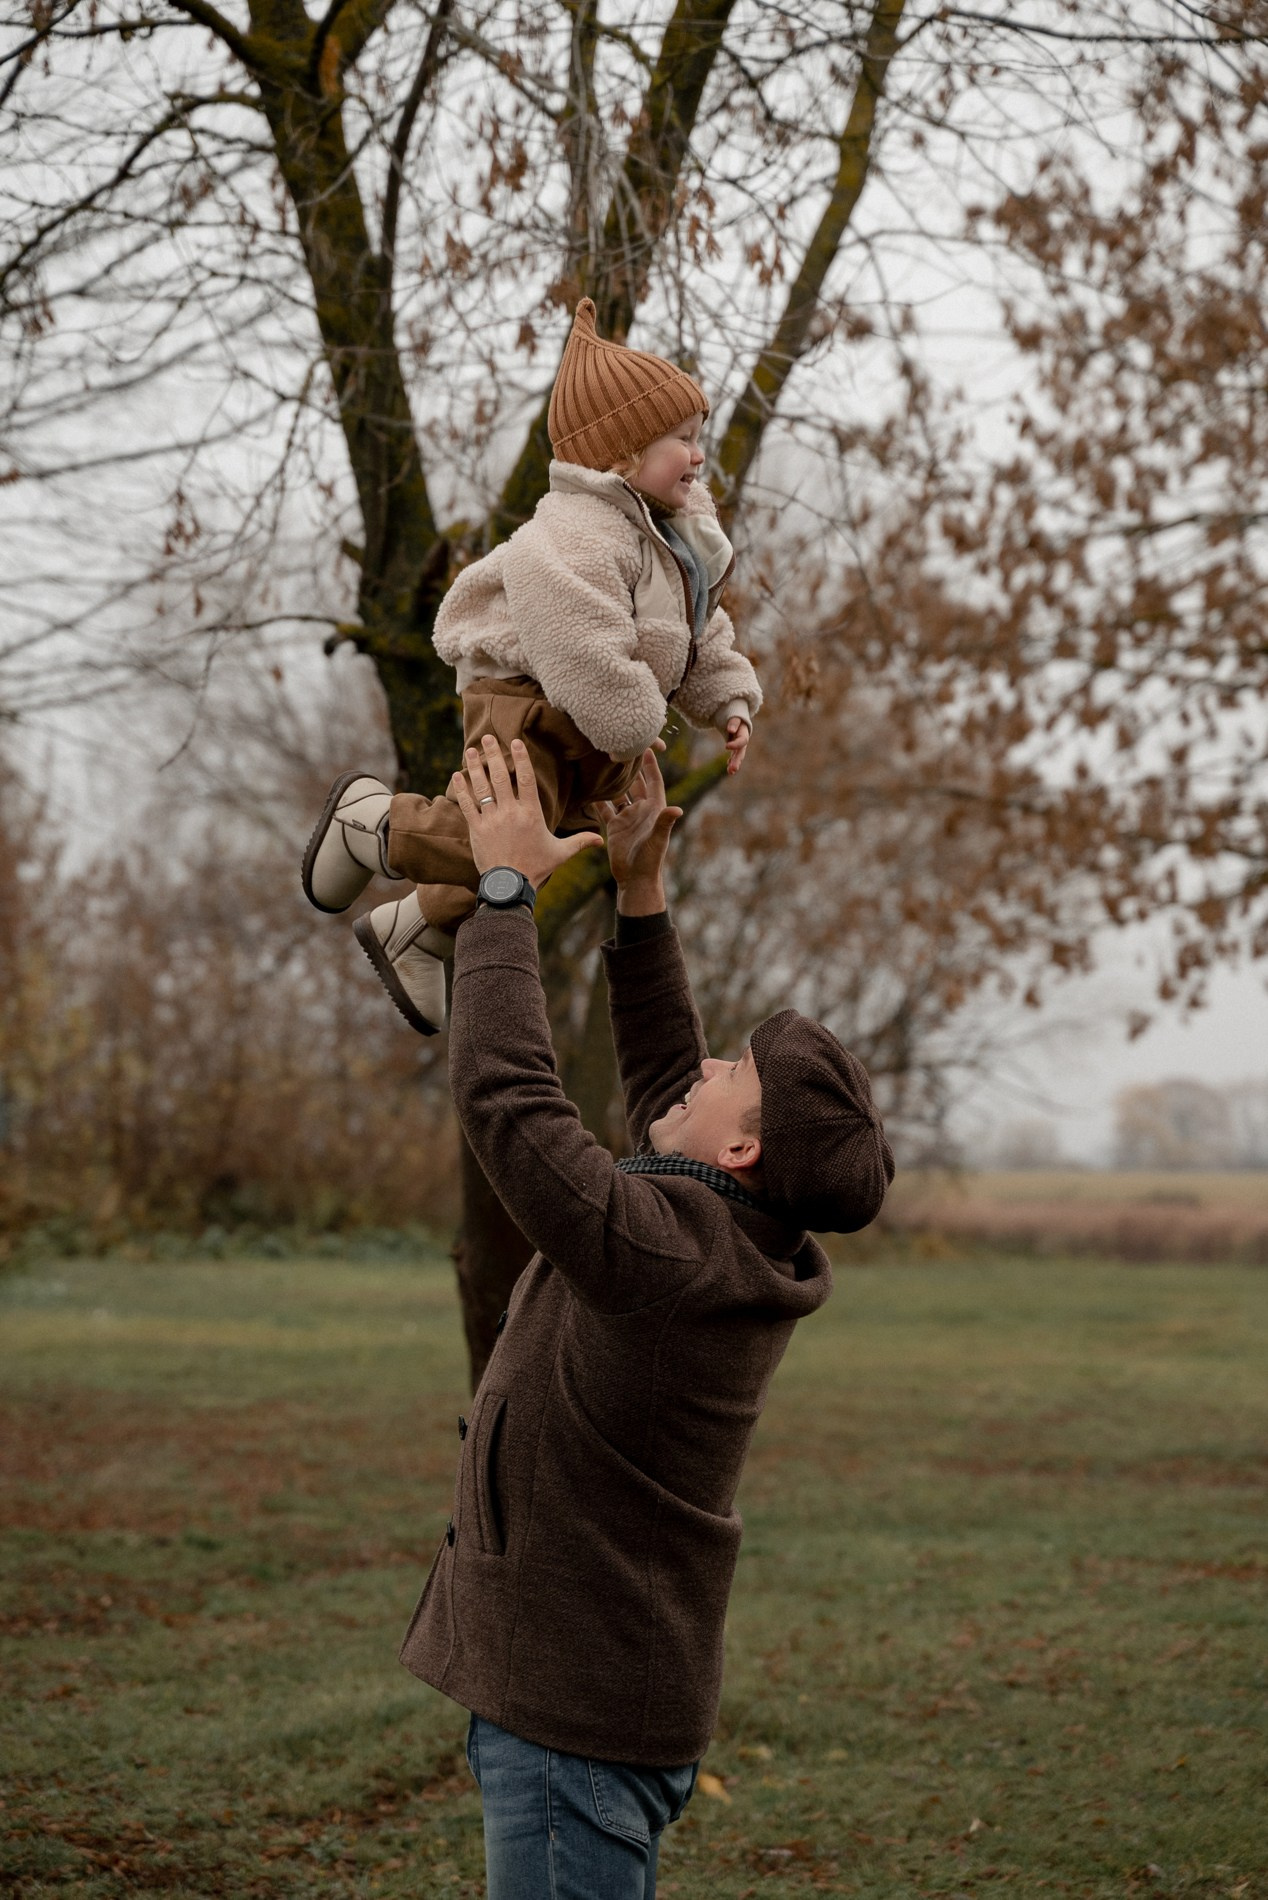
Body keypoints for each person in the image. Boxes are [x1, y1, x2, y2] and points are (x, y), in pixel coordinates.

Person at [398, 735, 895, 1900]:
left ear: (743, 1148)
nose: (709, 1059)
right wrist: (638, 894)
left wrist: (507, 892)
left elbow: (508, 1100)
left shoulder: (663, 1258)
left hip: (576, 1733)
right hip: (598, 1708)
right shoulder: (718, 1232)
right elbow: (673, 1089)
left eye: (736, 1067)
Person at [299, 298, 761, 1035]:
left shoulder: (674, 541)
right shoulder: (573, 532)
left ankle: (415, 925)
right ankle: (371, 823)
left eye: (698, 435)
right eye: (680, 438)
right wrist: (636, 718)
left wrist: (727, 698)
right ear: (620, 453)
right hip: (529, 698)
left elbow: (700, 631)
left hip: (596, 725)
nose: (699, 454)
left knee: (528, 861)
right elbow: (578, 641)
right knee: (502, 832)